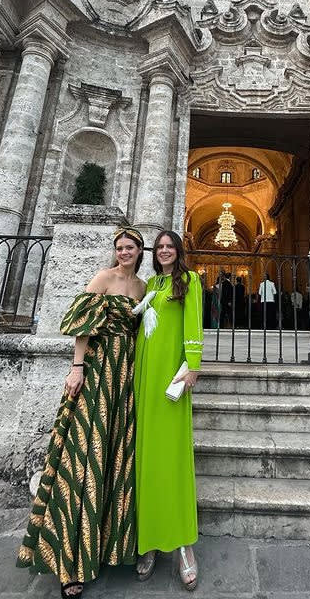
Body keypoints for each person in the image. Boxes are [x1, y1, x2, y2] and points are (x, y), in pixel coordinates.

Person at [16, 228, 146, 598]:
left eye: (131, 247)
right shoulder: (103, 278)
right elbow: (81, 326)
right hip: (98, 368)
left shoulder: (141, 286)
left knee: (114, 454)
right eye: (120, 247)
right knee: (85, 453)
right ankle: (69, 560)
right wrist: (77, 367)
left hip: (126, 375)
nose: (124, 252)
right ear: (115, 251)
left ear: (140, 251)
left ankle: (104, 546)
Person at [134, 230, 204, 591]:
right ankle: (149, 542)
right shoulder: (151, 283)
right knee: (146, 460)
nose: (164, 251)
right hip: (144, 376)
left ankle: (183, 547)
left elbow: (193, 324)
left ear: (178, 250)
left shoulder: (189, 280)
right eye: (159, 247)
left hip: (171, 378)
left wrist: (192, 365)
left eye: (169, 246)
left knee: (173, 461)